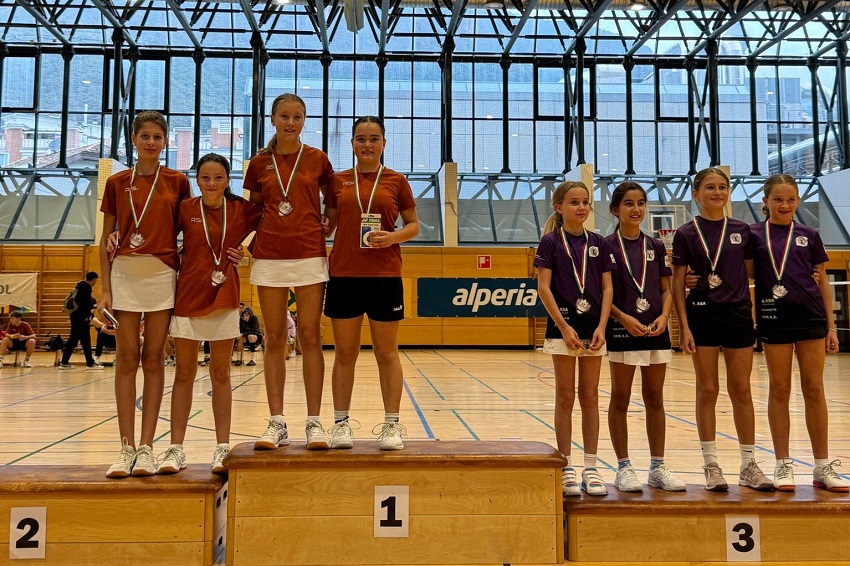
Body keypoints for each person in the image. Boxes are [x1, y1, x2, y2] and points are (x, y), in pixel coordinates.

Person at [98, 111, 191, 478]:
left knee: (153, 359)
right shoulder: (117, 182)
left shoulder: (178, 181)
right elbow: (104, 239)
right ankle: (126, 448)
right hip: (124, 273)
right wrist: (105, 289)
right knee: (126, 358)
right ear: (134, 139)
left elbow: (193, 229)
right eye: (145, 136)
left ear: (166, 141)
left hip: (162, 273)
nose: (151, 142)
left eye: (158, 137)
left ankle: (147, 447)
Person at [671, 167, 774, 492]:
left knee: (741, 390)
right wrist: (683, 326)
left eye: (722, 187)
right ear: (696, 194)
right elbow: (677, 281)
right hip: (702, 316)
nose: (717, 192)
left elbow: (754, 273)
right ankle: (711, 464)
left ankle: (748, 465)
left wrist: (804, 274)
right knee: (707, 389)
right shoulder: (686, 233)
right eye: (710, 187)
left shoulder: (743, 230)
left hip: (738, 315)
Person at [158, 153, 261, 475]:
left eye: (218, 177)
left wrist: (246, 251)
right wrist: (117, 235)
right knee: (184, 374)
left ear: (228, 180)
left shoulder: (241, 209)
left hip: (224, 296)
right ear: (197, 180)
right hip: (188, 295)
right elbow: (157, 233)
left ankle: (222, 446)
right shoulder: (186, 208)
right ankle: (176, 448)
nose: (212, 183)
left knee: (221, 374)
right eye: (205, 178)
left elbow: (273, 223)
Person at [322, 116, 420, 451]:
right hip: (343, 276)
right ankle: (340, 425)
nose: (367, 145)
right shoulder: (337, 181)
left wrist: (392, 237)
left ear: (384, 143)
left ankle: (391, 425)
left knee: (387, 353)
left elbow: (414, 226)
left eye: (374, 139)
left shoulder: (397, 181)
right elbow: (328, 226)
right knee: (344, 353)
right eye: (361, 139)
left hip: (384, 276)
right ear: (352, 143)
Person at [245, 93, 334, 450]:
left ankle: (314, 422)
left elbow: (333, 201)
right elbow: (252, 210)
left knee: (310, 337)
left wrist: (330, 223)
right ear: (272, 119)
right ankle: (277, 422)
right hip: (269, 256)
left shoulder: (317, 159)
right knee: (275, 338)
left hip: (309, 253)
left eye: (297, 117)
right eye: (284, 116)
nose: (290, 123)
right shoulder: (258, 163)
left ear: (304, 121)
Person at [751, 174, 847, 492]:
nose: (784, 205)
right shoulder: (753, 234)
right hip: (774, 319)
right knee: (779, 389)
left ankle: (822, 466)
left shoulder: (809, 235)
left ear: (798, 201)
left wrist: (831, 326)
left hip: (811, 319)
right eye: (777, 199)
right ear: (765, 202)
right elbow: (739, 271)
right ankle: (782, 464)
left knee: (814, 389)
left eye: (790, 199)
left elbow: (822, 280)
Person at [534, 181, 614, 496]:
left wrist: (602, 326)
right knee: (565, 396)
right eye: (573, 202)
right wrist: (564, 327)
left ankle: (591, 467)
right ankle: (566, 465)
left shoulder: (599, 243)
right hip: (562, 329)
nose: (581, 207)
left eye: (585, 202)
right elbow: (544, 288)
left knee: (590, 396)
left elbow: (607, 288)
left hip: (594, 329)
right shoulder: (550, 243)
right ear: (559, 207)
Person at [604, 182, 685, 492]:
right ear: (615, 209)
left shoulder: (656, 246)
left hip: (655, 330)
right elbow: (602, 295)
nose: (636, 209)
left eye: (640, 203)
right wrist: (623, 318)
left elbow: (666, 290)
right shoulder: (605, 246)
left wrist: (665, 317)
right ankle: (623, 468)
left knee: (655, 398)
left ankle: (657, 467)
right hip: (622, 329)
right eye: (628, 203)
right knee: (620, 398)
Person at [59, 272, 100, 369]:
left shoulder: (79, 286)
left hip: (74, 316)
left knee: (73, 339)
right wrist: (87, 316)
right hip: (81, 317)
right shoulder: (86, 288)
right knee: (86, 340)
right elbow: (85, 305)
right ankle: (90, 363)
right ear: (94, 279)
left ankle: (64, 362)